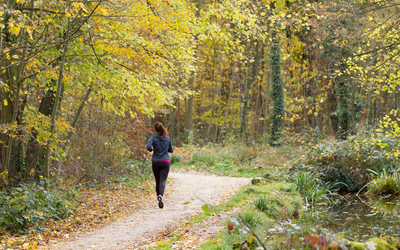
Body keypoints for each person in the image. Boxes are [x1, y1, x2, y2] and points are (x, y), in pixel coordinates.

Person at [146, 122, 174, 209]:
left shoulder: (153, 138)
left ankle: (158, 198)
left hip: (155, 162)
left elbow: (148, 146)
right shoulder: (167, 138)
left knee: (157, 181)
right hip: (165, 161)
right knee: (162, 181)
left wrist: (151, 149)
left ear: (155, 129)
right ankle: (161, 196)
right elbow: (171, 150)